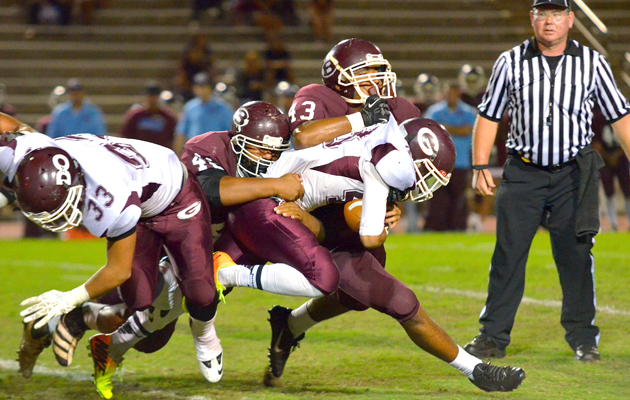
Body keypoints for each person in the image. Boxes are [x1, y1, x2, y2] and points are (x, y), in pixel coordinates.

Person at [258, 117, 526, 393]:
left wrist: (388, 205)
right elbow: (368, 233)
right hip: (285, 208)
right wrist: (378, 218)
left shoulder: (381, 146)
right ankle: (476, 370)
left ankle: (289, 325)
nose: (424, 184)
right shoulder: (375, 163)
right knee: (400, 300)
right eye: (425, 173)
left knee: (358, 293)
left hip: (319, 212)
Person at [1, 116, 223, 398]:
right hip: (134, 193)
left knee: (201, 292)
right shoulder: (22, 151)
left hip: (175, 198)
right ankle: (77, 319)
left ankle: (204, 334)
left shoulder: (107, 196)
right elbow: (13, 128)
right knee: (140, 306)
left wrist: (69, 297)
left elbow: (118, 270)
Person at [464, 0, 630, 363]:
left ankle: (584, 338)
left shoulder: (593, 62)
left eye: (557, 13)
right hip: (523, 173)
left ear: (571, 20)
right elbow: (488, 115)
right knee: (508, 256)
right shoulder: (510, 61)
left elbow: (621, 116)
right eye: (543, 13)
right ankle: (492, 337)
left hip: (573, 174)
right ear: (532, 19)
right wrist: (479, 164)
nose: (549, 20)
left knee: (575, 256)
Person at [423, 81, 477, 231]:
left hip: (460, 162)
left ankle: (457, 227)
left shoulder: (468, 111)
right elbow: (428, 131)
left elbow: (468, 130)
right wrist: (455, 129)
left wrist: (445, 128)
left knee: (458, 198)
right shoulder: (435, 111)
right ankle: (436, 227)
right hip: (437, 162)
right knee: (437, 197)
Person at [174, 72, 233, 155]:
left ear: (210, 88)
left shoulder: (222, 108)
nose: (201, 90)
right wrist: (178, 154)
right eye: (198, 87)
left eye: (204, 86)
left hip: (216, 153)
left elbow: (230, 133)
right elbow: (181, 133)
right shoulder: (190, 107)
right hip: (194, 152)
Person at [591, 105, 630, 231]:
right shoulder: (596, 116)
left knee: (627, 188)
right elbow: (594, 140)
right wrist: (607, 155)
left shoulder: (621, 112)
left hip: (620, 156)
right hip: (604, 158)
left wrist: (618, 154)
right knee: (608, 190)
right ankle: (612, 223)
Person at [118, 80, 178, 150]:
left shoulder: (167, 116)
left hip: (160, 153)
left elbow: (174, 137)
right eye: (150, 96)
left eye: (155, 97)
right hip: (140, 153)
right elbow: (125, 134)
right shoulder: (136, 115)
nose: (152, 100)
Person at [175, 32, 215, 102]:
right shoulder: (187, 56)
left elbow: (212, 70)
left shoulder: (207, 54)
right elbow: (182, 74)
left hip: (204, 83)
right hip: (189, 86)